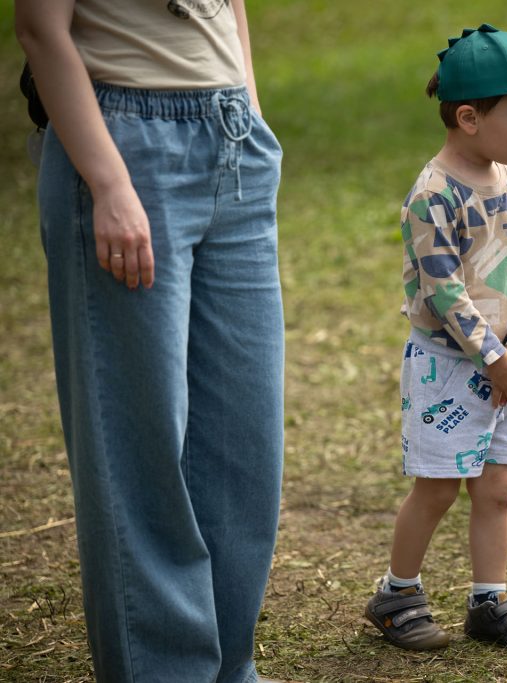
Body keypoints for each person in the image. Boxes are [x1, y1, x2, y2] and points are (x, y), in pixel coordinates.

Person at [14, 2, 284, 681]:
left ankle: (229, 667)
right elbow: (40, 27)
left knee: (245, 442)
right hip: (125, 141)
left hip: (233, 137)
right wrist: (106, 180)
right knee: (139, 444)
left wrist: (250, 109)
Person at [363, 23, 507, 652]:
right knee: (437, 487)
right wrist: (493, 358)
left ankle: (489, 600)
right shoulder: (433, 195)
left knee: (497, 485)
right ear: (468, 117)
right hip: (450, 366)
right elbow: (443, 292)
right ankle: (396, 594)